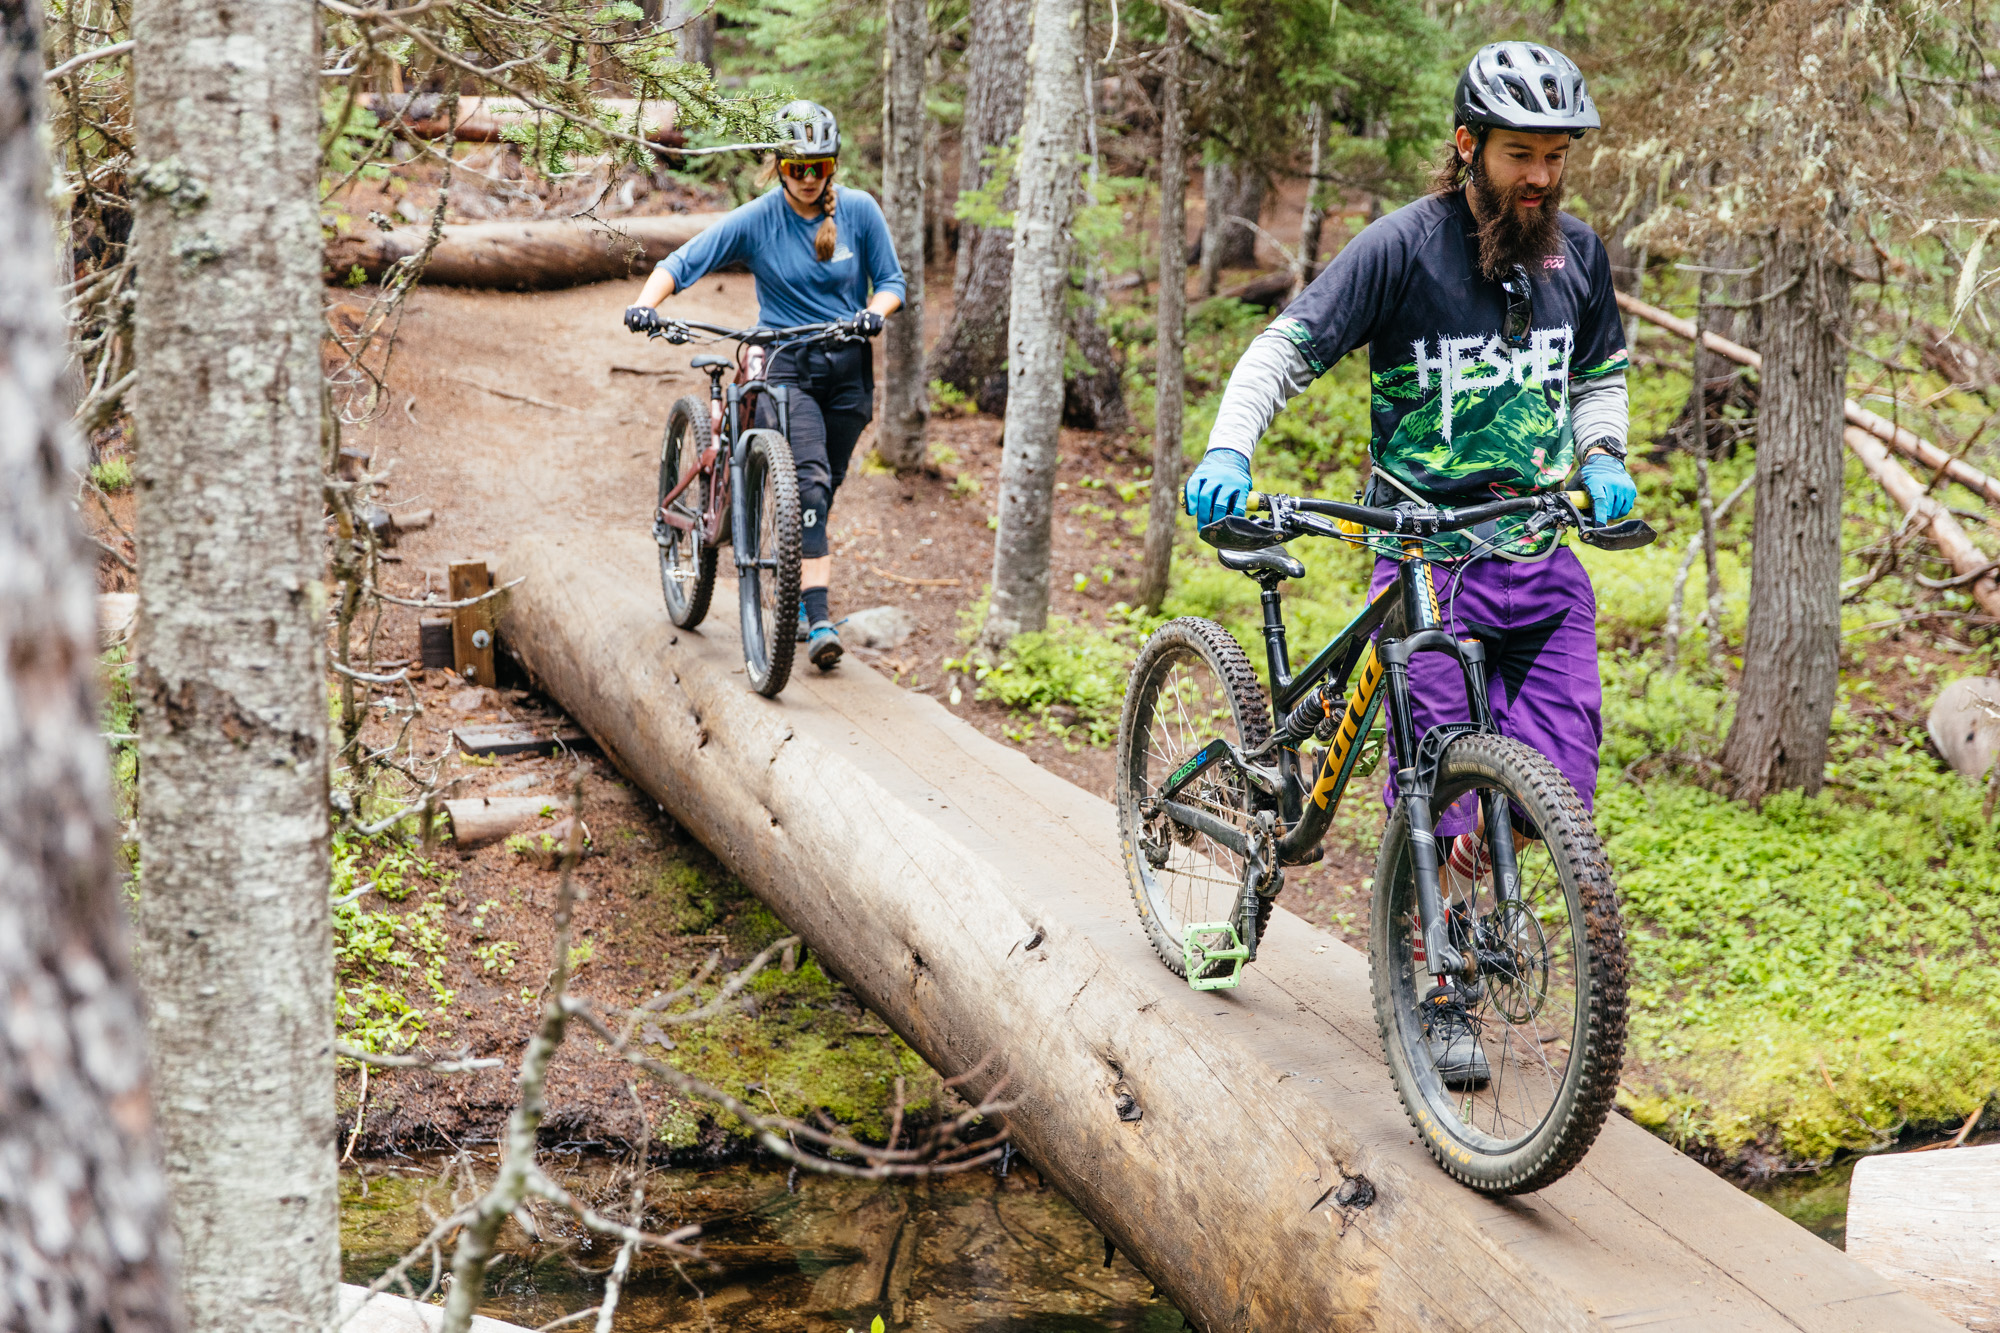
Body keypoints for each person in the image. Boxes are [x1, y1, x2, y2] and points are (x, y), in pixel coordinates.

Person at [1184, 42, 1635, 1084]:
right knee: (1429, 780)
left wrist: (1601, 452)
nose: (1541, 177)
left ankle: (1470, 867)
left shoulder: (1578, 255)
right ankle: (1435, 989)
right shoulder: (1401, 248)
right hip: (1425, 559)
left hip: (1538, 556)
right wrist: (1227, 445)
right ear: (1466, 145)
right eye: (1521, 154)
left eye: (1555, 157)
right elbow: (1282, 350)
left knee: (1551, 792)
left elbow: (1597, 374)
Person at [624, 101, 906, 671]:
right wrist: (643, 305)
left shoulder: (859, 211)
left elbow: (892, 282)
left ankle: (800, 582)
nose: (807, 179)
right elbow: (683, 261)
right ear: (776, 166)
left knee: (820, 491)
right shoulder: (758, 218)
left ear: (833, 167)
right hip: (785, 364)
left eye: (818, 168)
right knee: (809, 481)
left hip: (848, 370)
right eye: (796, 168)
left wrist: (876, 311)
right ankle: (817, 617)